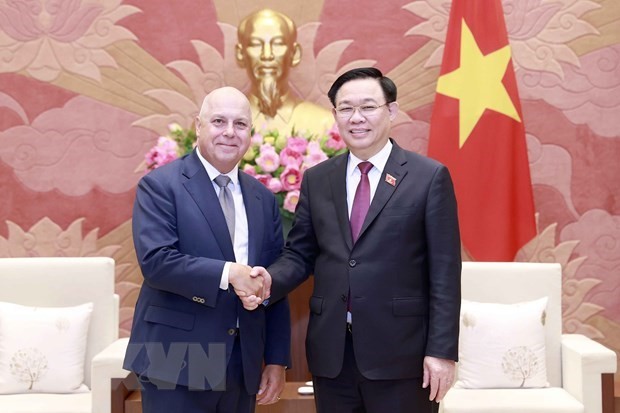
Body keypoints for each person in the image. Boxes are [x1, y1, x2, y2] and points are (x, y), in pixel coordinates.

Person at [247, 67, 462, 413]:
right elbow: (301, 255)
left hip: (402, 357)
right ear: (335, 115)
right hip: (332, 357)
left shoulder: (428, 177)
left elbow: (445, 274)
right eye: (346, 108)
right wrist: (268, 280)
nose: (356, 118)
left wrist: (441, 352)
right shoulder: (318, 179)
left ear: (390, 111)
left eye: (368, 107)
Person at [123, 86, 291, 413]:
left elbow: (273, 281)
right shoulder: (161, 186)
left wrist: (276, 359)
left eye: (240, 124)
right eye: (218, 121)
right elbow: (156, 262)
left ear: (250, 134)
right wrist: (229, 273)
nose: (230, 132)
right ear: (197, 126)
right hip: (176, 359)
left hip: (243, 362)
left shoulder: (263, 198)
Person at [236, 8, 334, 137]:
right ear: (240, 54)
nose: (267, 55)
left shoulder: (325, 124)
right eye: (255, 44)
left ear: (294, 54)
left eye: (278, 43)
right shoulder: (222, 127)